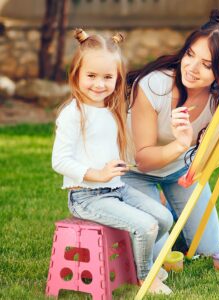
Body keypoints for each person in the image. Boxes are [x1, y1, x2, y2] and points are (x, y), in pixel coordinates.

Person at [52, 28, 173, 294]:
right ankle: (144, 277)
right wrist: (97, 174)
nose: (99, 84)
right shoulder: (73, 114)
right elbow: (59, 161)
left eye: (107, 77)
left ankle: (141, 262)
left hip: (117, 189)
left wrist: (122, 166)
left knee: (164, 218)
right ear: (76, 75)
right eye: (91, 76)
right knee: (146, 225)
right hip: (87, 197)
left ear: (117, 78)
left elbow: (109, 148)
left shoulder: (110, 109)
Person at [124, 9, 219, 258]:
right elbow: (144, 160)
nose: (191, 68)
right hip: (133, 172)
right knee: (159, 255)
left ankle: (170, 208)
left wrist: (197, 165)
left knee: (210, 250)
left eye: (206, 64)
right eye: (190, 54)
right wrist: (181, 145)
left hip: (180, 172)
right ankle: (158, 210)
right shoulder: (153, 85)